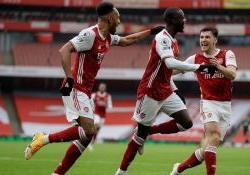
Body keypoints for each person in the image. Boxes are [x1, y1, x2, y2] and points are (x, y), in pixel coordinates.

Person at [24, 2, 165, 175]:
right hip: (75, 87)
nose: (119, 22)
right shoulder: (90, 35)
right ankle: (42, 139)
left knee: (85, 137)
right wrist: (69, 78)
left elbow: (128, 40)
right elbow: (64, 50)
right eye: (118, 17)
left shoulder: (107, 38)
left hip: (85, 90)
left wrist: (151, 31)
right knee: (89, 130)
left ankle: (57, 173)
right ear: (110, 18)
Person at [115, 8, 217, 175]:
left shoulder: (173, 41)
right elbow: (169, 64)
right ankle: (121, 171)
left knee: (186, 123)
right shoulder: (162, 38)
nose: (184, 20)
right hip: (150, 90)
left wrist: (174, 89)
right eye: (182, 17)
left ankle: (150, 132)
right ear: (172, 20)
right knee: (140, 133)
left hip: (166, 89)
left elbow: (166, 71)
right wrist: (200, 67)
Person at [169, 27, 237, 175]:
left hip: (225, 106)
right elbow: (175, 70)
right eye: (201, 37)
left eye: (207, 37)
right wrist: (160, 67)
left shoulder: (227, 55)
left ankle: (178, 168)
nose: (203, 40)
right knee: (214, 135)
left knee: (206, 149)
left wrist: (218, 66)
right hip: (208, 103)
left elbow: (232, 74)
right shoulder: (195, 59)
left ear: (215, 40)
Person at [87, 82, 112, 150]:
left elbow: (110, 106)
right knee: (96, 125)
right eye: (101, 87)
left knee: (97, 130)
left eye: (103, 87)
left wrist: (105, 104)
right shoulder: (94, 95)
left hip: (103, 115)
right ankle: (89, 141)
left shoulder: (108, 96)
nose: (102, 88)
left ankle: (92, 143)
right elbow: (89, 103)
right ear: (99, 88)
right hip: (96, 113)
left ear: (105, 88)